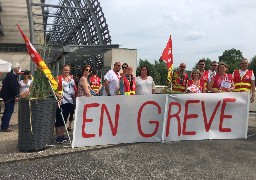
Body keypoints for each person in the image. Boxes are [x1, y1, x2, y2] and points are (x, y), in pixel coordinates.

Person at [55, 65, 77, 143]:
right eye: (65, 70)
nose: (66, 71)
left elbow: (74, 89)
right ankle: (58, 137)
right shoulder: (58, 78)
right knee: (59, 119)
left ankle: (62, 135)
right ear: (62, 70)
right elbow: (53, 89)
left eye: (67, 70)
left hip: (70, 102)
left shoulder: (71, 79)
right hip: (61, 102)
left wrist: (75, 100)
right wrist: (58, 95)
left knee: (65, 119)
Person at [0, 63, 20, 132]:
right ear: (15, 68)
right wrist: (16, 96)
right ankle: (5, 127)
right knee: (9, 112)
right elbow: (13, 87)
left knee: (7, 112)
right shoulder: (12, 76)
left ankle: (4, 126)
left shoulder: (9, 75)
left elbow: (4, 84)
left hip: (6, 96)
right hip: (9, 97)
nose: (19, 68)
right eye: (19, 67)